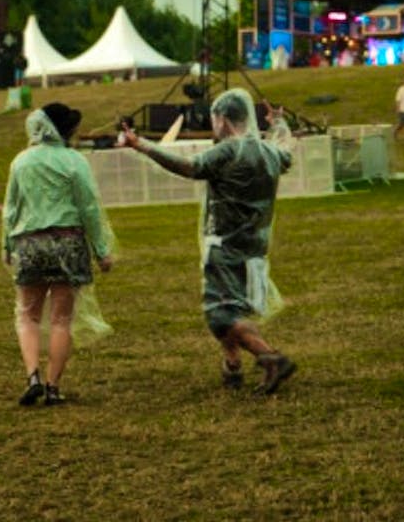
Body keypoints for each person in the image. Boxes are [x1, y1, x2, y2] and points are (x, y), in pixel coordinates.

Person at [121, 88, 296, 395]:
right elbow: (286, 150)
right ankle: (232, 366)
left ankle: (271, 357)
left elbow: (190, 166)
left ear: (225, 119)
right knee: (233, 309)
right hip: (254, 245)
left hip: (225, 245)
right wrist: (279, 123)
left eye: (215, 118)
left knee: (220, 315)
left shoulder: (230, 150)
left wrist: (142, 145)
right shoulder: (269, 152)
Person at [3, 103, 115, 406]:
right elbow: (89, 208)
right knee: (61, 319)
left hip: (30, 244)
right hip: (68, 243)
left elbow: (11, 208)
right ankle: (53, 386)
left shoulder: (21, 162)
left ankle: (32, 376)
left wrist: (6, 245)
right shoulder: (74, 161)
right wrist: (102, 250)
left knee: (27, 315)